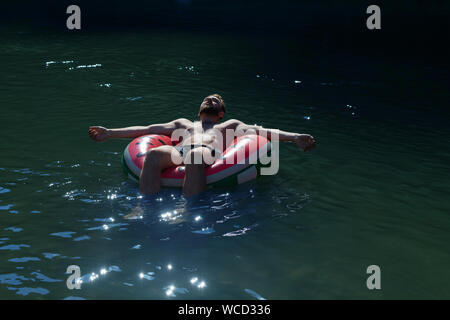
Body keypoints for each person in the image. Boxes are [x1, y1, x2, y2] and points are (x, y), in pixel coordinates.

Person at [89, 94, 316, 197]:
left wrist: (294, 137)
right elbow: (147, 130)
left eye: (215, 101)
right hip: (179, 151)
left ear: (220, 113)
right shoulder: (184, 124)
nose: (210, 100)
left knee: (195, 156)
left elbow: (263, 132)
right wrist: (110, 133)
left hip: (208, 153)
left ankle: (185, 211)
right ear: (198, 111)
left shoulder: (228, 126)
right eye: (207, 99)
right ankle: (144, 206)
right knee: (154, 154)